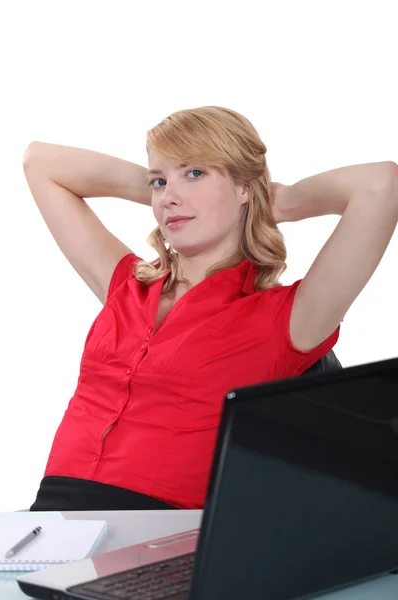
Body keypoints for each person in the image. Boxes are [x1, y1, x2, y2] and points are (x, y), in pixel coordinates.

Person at [23, 106, 398, 511]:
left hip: (159, 536)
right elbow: (39, 162)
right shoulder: (127, 285)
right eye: (159, 181)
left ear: (244, 188)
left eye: (196, 172)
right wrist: (168, 191)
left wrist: (279, 202)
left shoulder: (286, 319)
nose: (169, 196)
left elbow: (382, 185)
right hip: (50, 523)